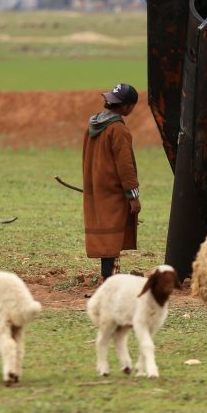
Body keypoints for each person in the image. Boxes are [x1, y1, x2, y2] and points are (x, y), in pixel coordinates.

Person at [82, 83, 141, 281]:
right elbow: (126, 167)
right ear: (127, 107)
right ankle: (110, 280)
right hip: (113, 191)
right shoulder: (118, 130)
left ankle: (107, 276)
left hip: (96, 187)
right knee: (112, 236)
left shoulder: (92, 126)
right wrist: (133, 196)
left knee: (106, 234)